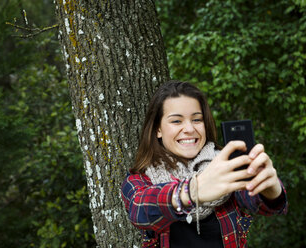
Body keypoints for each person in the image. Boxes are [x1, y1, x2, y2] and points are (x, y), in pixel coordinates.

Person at [121, 80, 288, 248]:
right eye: (176, 121)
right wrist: (192, 190)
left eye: (197, 119)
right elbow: (139, 211)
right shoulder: (140, 179)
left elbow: (259, 204)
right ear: (158, 129)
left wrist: (271, 190)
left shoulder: (224, 166)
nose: (189, 128)